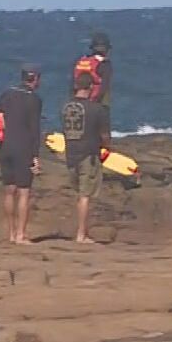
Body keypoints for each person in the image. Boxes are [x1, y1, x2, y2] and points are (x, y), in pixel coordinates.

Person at [0, 64, 43, 245]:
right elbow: (35, 130)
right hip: (23, 148)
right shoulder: (34, 100)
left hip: (6, 146)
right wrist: (35, 156)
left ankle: (12, 234)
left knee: (9, 191)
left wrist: (3, 129)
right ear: (34, 79)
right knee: (23, 192)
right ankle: (21, 235)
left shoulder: (8, 93)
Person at [60, 71, 112, 244]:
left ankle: (81, 232)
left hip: (71, 155)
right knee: (85, 195)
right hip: (88, 155)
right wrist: (108, 148)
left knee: (78, 194)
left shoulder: (65, 107)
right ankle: (81, 234)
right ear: (90, 87)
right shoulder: (97, 109)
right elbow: (104, 136)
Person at [73, 32, 112, 108]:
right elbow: (103, 88)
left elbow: (73, 85)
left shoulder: (82, 61)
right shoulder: (105, 64)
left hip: (77, 104)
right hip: (95, 105)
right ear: (107, 49)